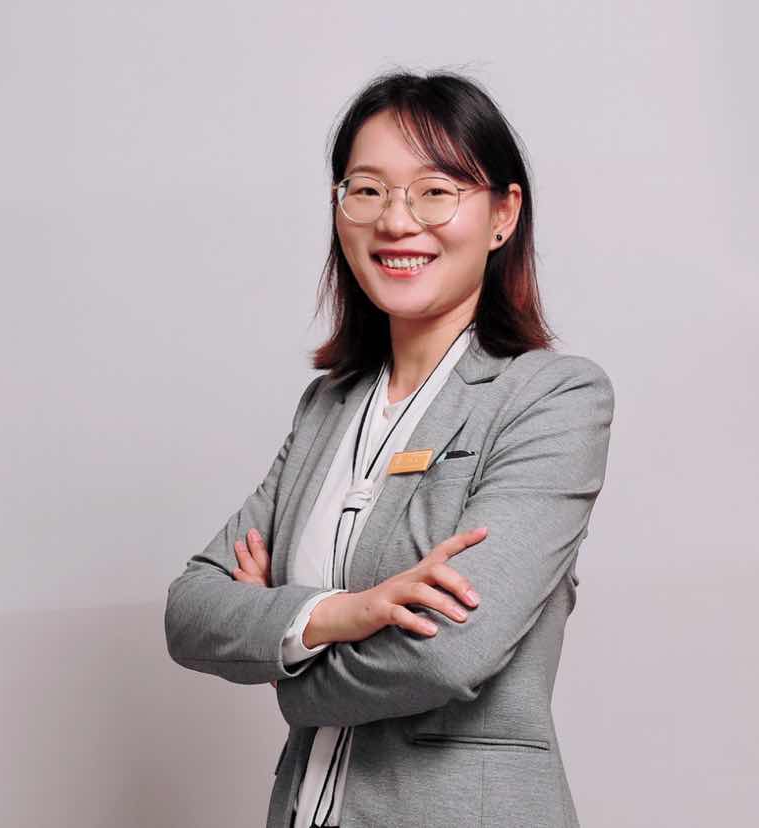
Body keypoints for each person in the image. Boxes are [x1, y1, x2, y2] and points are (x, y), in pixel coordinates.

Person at [165, 69, 614, 828]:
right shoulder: (327, 408)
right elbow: (191, 610)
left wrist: (283, 665)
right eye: (367, 189)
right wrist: (342, 614)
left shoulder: (552, 398)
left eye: (436, 191)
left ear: (503, 215)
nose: (396, 221)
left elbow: (447, 653)